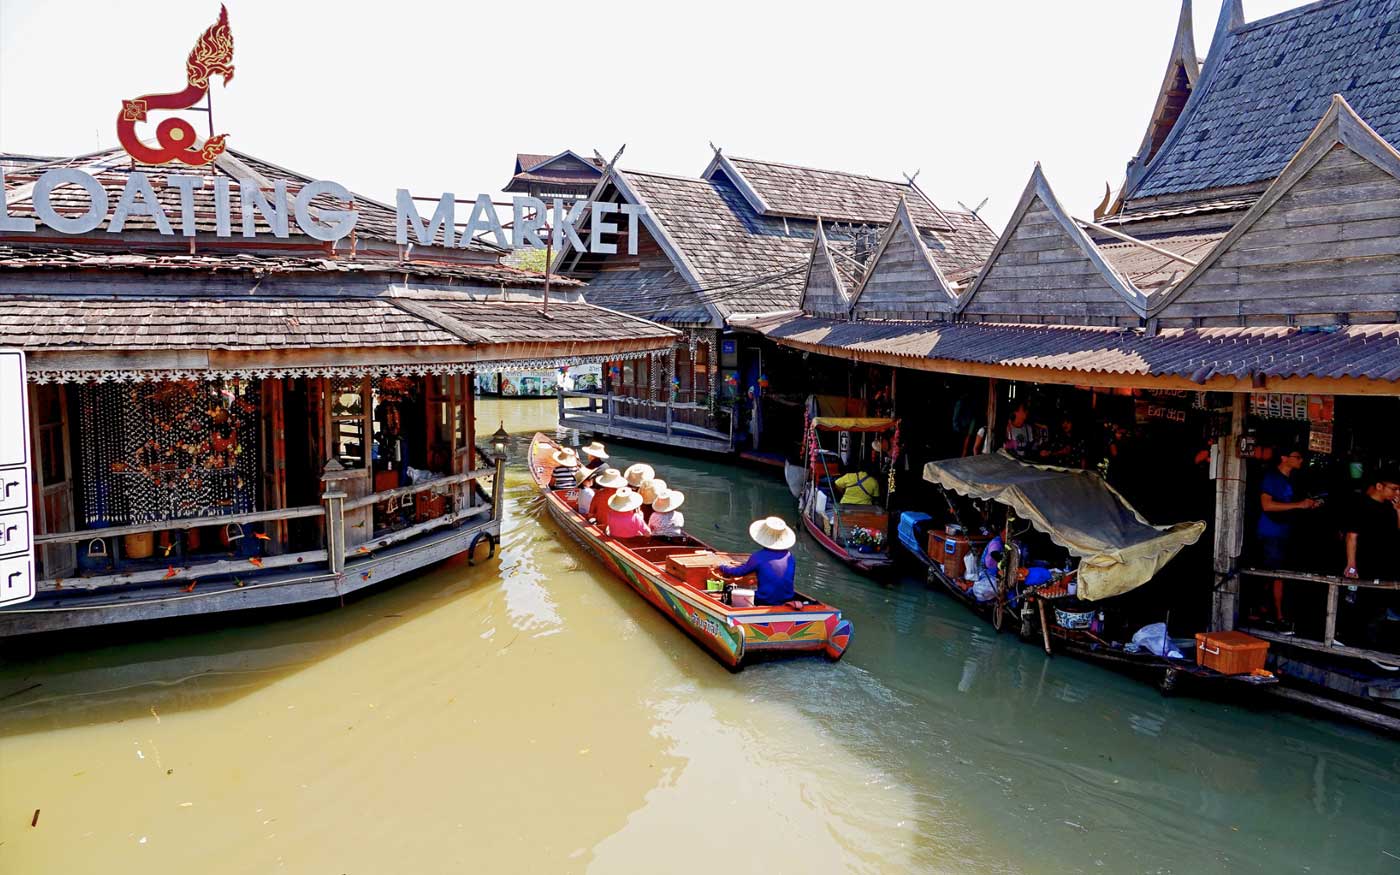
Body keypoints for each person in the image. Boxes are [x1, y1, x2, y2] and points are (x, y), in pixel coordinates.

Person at [1254, 449, 1320, 625]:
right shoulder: (1272, 477)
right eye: (1297, 457)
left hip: (1285, 532)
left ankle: (1263, 609)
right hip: (1271, 531)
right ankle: (1278, 616)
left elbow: (1293, 504)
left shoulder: (1293, 479)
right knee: (1276, 574)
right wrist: (1299, 504)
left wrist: (1307, 504)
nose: (1301, 460)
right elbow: (1267, 505)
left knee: (1275, 573)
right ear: (1284, 457)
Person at [1340, 469, 1400, 648]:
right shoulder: (1362, 505)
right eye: (1394, 489)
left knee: (1379, 603)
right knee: (1364, 602)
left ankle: (1370, 642)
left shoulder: (1389, 507)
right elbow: (1352, 535)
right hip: (1366, 561)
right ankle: (1356, 640)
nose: (1397, 493)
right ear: (1380, 486)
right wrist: (1351, 563)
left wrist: (1398, 510)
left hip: (1385, 562)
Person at [717, 517, 797, 606]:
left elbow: (739, 572)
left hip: (765, 600)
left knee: (732, 593)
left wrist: (723, 567)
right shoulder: (790, 556)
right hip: (788, 600)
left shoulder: (758, 556)